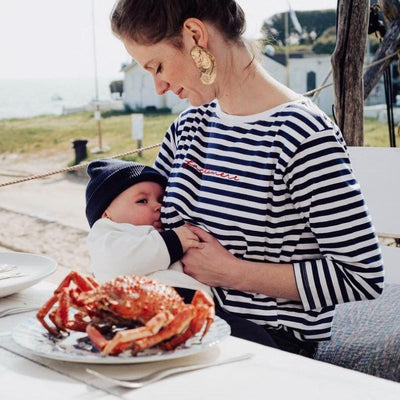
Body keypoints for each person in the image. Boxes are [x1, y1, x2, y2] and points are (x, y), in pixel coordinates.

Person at [110, 0, 384, 358]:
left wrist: (232, 272)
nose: (159, 86)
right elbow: (142, 225)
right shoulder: (187, 128)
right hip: (178, 328)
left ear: (195, 35)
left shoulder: (301, 135)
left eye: (158, 66)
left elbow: (361, 275)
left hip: (263, 345)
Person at [85, 158, 211, 299]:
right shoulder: (105, 234)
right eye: (142, 201)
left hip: (191, 302)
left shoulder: (157, 231)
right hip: (137, 302)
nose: (159, 206)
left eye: (160, 200)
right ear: (106, 214)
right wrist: (173, 242)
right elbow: (118, 263)